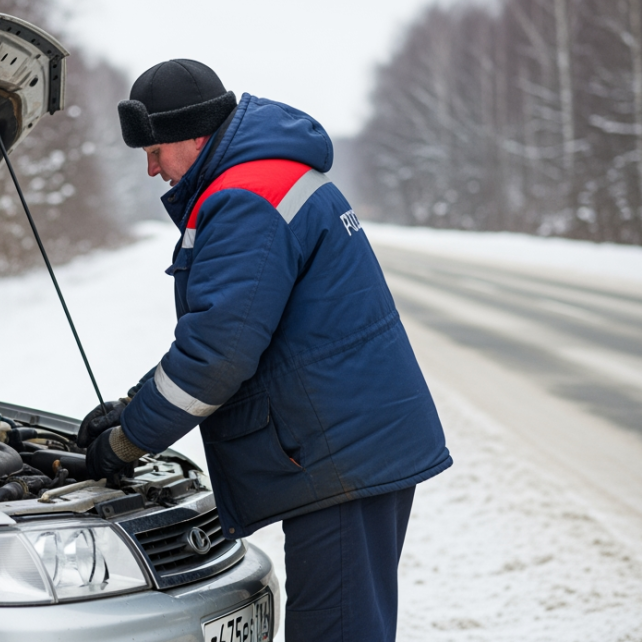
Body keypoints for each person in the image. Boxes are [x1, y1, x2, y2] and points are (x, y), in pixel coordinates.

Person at [78, 59, 452, 642]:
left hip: (340, 456)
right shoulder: (267, 174)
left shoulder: (245, 197)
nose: (151, 168)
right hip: (350, 445)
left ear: (193, 134)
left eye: (155, 150)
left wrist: (128, 440)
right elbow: (233, 330)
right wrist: (135, 403)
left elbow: (217, 355)